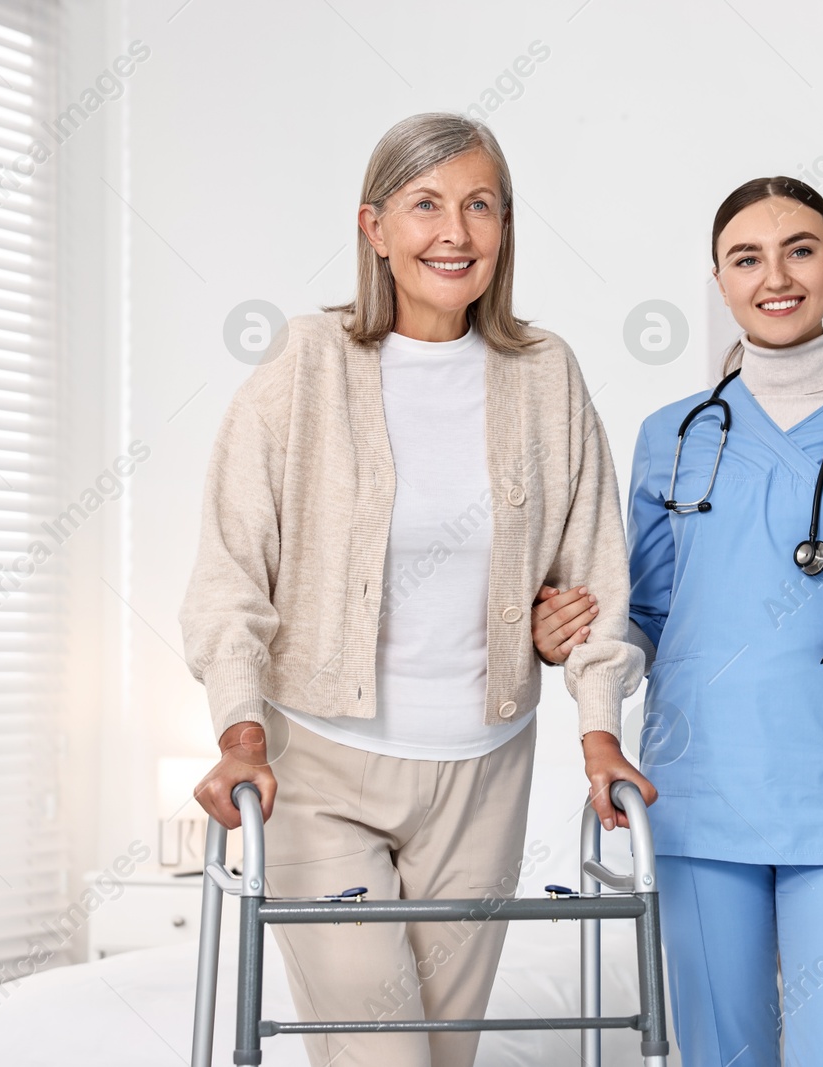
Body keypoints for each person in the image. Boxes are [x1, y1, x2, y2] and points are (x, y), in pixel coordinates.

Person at [179, 112, 652, 1067]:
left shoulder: (546, 374)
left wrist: (597, 727)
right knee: (380, 1057)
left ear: (505, 229)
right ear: (374, 227)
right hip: (320, 767)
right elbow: (231, 569)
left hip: (486, 774)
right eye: (425, 204)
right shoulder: (306, 366)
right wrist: (239, 731)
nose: (456, 231)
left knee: (444, 1054)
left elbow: (595, 572)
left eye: (480, 206)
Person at [546, 176, 823, 1066]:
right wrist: (581, 657)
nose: (775, 275)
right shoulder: (671, 436)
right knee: (720, 1057)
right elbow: (645, 619)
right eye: (745, 257)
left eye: (800, 249)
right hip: (696, 794)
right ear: (719, 280)